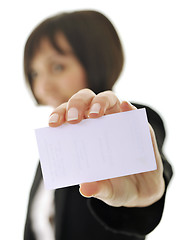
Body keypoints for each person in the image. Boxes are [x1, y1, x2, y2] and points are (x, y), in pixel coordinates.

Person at [23, 10, 173, 240]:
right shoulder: (51, 151)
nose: (42, 86)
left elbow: (149, 170)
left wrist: (143, 201)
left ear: (96, 61)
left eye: (58, 67)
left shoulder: (129, 119)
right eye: (35, 73)